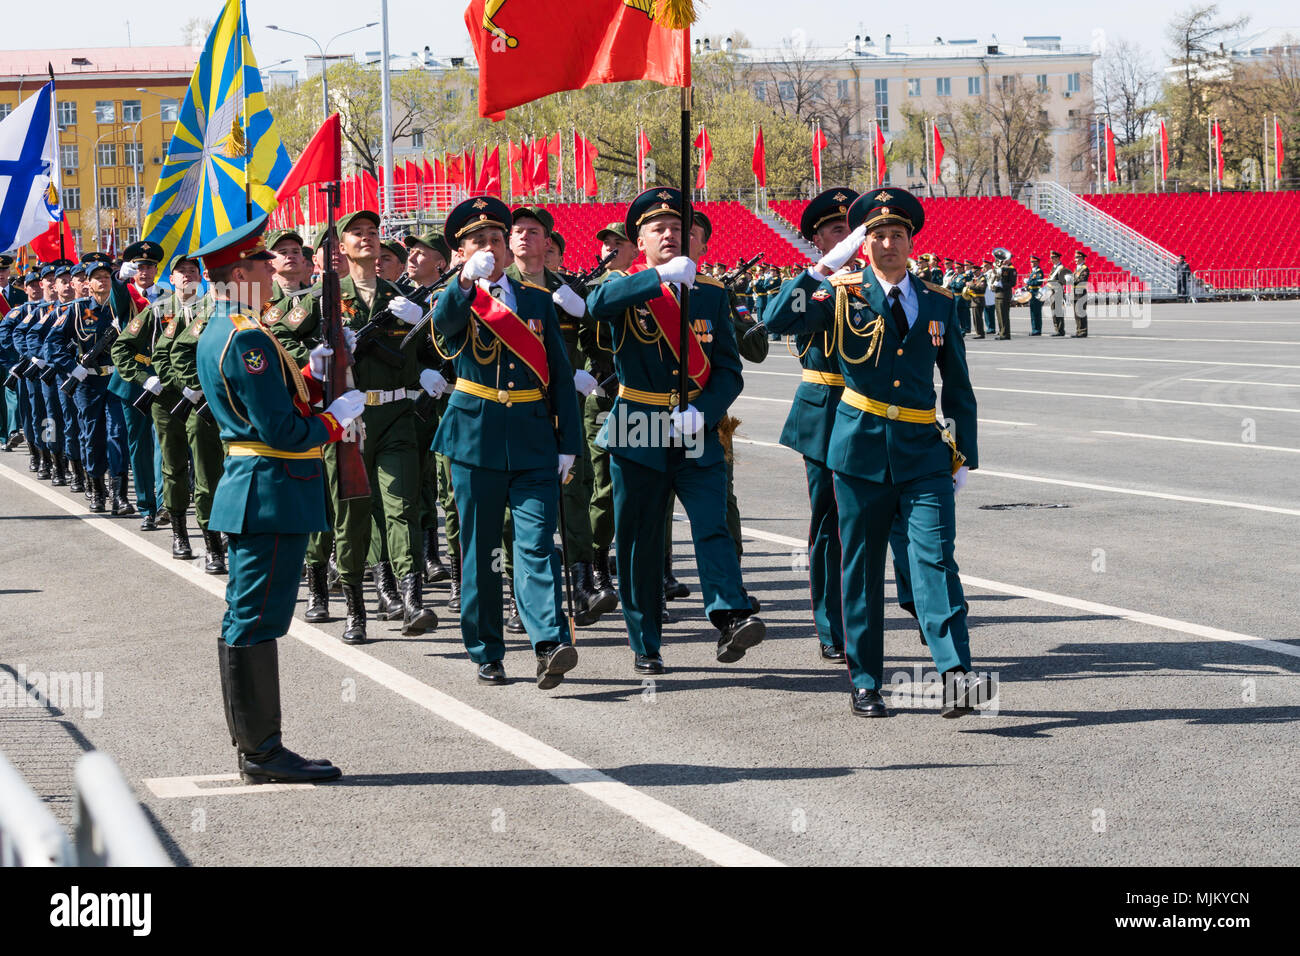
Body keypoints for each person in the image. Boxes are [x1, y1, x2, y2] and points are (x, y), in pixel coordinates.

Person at [764, 187, 989, 719]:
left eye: (898, 234)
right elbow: (775, 319)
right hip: (859, 451)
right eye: (878, 235)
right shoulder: (840, 294)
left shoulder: (938, 301)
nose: (889, 243)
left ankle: (957, 674)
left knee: (934, 562)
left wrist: (962, 456)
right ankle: (866, 680)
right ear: (864, 245)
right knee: (861, 569)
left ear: (912, 241)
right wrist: (821, 268)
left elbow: (957, 387)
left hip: (922, 454)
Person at [194, 212, 363, 784]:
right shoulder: (246, 338)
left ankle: (257, 747)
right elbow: (280, 431)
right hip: (269, 490)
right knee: (255, 621)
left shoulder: (237, 328)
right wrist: (334, 421)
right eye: (263, 261)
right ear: (241, 272)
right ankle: (262, 752)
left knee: (249, 617)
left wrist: (311, 381)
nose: (272, 268)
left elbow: (275, 405)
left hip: (263, 490)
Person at [587, 187, 765, 674]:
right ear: (638, 240)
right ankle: (645, 639)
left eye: (679, 229)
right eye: (658, 229)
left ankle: (730, 615)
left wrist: (705, 410)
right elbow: (596, 305)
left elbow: (729, 370)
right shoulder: (625, 285)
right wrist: (657, 279)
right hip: (638, 423)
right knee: (641, 539)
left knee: (713, 525)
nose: (670, 235)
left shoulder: (709, 292)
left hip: (694, 427)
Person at [429, 195, 583, 688]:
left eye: (496, 239)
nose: (491, 247)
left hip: (535, 438)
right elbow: (443, 329)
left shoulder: (536, 299)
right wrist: (463, 281)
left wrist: (568, 442)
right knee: (479, 552)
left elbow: (559, 376)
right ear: (460, 252)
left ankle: (549, 643)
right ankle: (486, 650)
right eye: (478, 241)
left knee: (536, 544)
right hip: (475, 437)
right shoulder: (457, 296)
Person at [503, 206, 611, 627]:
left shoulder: (568, 290)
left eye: (536, 232)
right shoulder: (498, 289)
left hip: (563, 409)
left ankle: (583, 583)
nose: (527, 238)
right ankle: (520, 594)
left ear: (549, 242)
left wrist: (587, 317)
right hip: (516, 409)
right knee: (517, 509)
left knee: (573, 495)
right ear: (509, 242)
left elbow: (602, 341)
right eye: (519, 232)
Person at [994, 253, 1016, 340]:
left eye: (1005, 259)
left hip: (1004, 295)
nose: (1003, 261)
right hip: (998, 294)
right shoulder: (1001, 268)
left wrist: (1001, 284)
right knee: (999, 315)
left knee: (1004, 315)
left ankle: (1005, 334)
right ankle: (1002, 332)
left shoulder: (1011, 269)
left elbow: (1012, 283)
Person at [1047, 250, 1068, 336]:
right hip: (1052, 292)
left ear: (1057, 258)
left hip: (1058, 291)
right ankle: (1057, 329)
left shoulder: (1061, 268)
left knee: (1058, 311)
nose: (1051, 259)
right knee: (1053, 311)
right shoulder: (1054, 268)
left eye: (1053, 258)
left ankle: (1060, 330)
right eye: (1051, 258)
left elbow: (1063, 280)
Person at [1025, 255, 1045, 335]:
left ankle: (1037, 330)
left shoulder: (1039, 271)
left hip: (1036, 292)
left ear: (1037, 262)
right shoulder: (1033, 271)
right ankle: (1034, 329)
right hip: (1032, 292)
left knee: (1036, 312)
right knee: (1033, 312)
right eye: (1031, 262)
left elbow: (1038, 282)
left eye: (1033, 262)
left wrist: (1028, 282)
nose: (1031, 263)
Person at [1071, 251, 1089, 337]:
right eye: (1075, 258)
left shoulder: (1084, 268)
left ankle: (1083, 331)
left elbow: (1082, 280)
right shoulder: (1077, 268)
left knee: (1081, 312)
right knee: (1076, 312)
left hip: (1081, 293)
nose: (1075, 259)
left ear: (1082, 258)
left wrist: (1072, 280)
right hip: (1075, 292)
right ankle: (1079, 330)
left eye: (1077, 257)